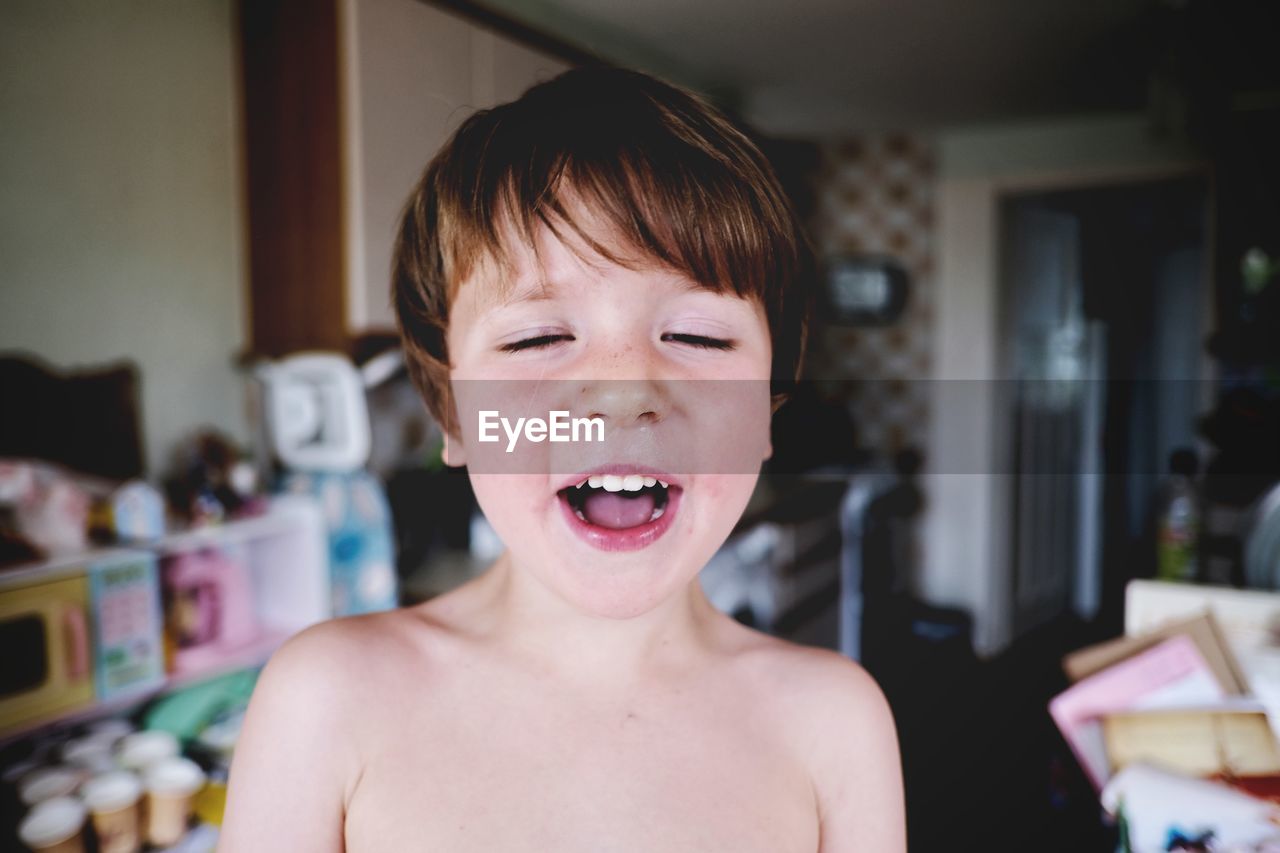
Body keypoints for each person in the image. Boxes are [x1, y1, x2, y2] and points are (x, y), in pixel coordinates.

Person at [218, 66, 905, 852]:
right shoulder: (325, 702)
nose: (622, 394)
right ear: (453, 415)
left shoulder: (837, 723)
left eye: (698, 337)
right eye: (538, 338)